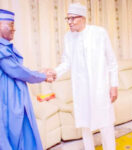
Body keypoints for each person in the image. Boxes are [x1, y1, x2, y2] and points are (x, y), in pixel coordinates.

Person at [51, 3, 118, 150]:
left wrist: (114, 85)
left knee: (105, 124)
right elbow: (66, 62)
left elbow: (111, 62)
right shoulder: (68, 37)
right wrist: (54, 72)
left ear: (83, 18)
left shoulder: (99, 33)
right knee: (85, 125)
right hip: (81, 89)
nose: (69, 22)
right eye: (67, 19)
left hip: (100, 87)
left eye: (73, 18)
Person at [0, 9, 54, 150]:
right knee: (10, 136)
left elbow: (19, 70)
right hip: (6, 103)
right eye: (10, 25)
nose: (14, 29)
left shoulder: (5, 47)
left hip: (13, 101)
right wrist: (42, 76)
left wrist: (37, 73)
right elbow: (16, 70)